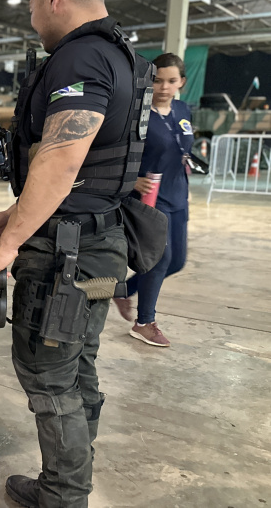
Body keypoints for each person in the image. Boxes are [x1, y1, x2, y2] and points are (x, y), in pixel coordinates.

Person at [0, 0, 147, 505]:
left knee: (49, 375)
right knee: (79, 366)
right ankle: (68, 482)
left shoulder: (80, 57)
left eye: (31, 8)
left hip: (68, 259)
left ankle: (65, 495)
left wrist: (8, 244)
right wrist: (15, 214)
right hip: (101, 254)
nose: (31, 21)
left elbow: (62, 160)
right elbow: (89, 174)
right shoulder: (119, 55)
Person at [112, 53, 192, 348]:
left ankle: (123, 290)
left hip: (178, 194)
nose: (164, 87)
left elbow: (182, 150)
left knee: (178, 261)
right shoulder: (136, 114)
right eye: (158, 80)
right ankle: (144, 322)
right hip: (150, 196)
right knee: (161, 259)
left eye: (171, 81)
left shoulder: (183, 111)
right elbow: (116, 151)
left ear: (181, 82)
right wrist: (131, 181)